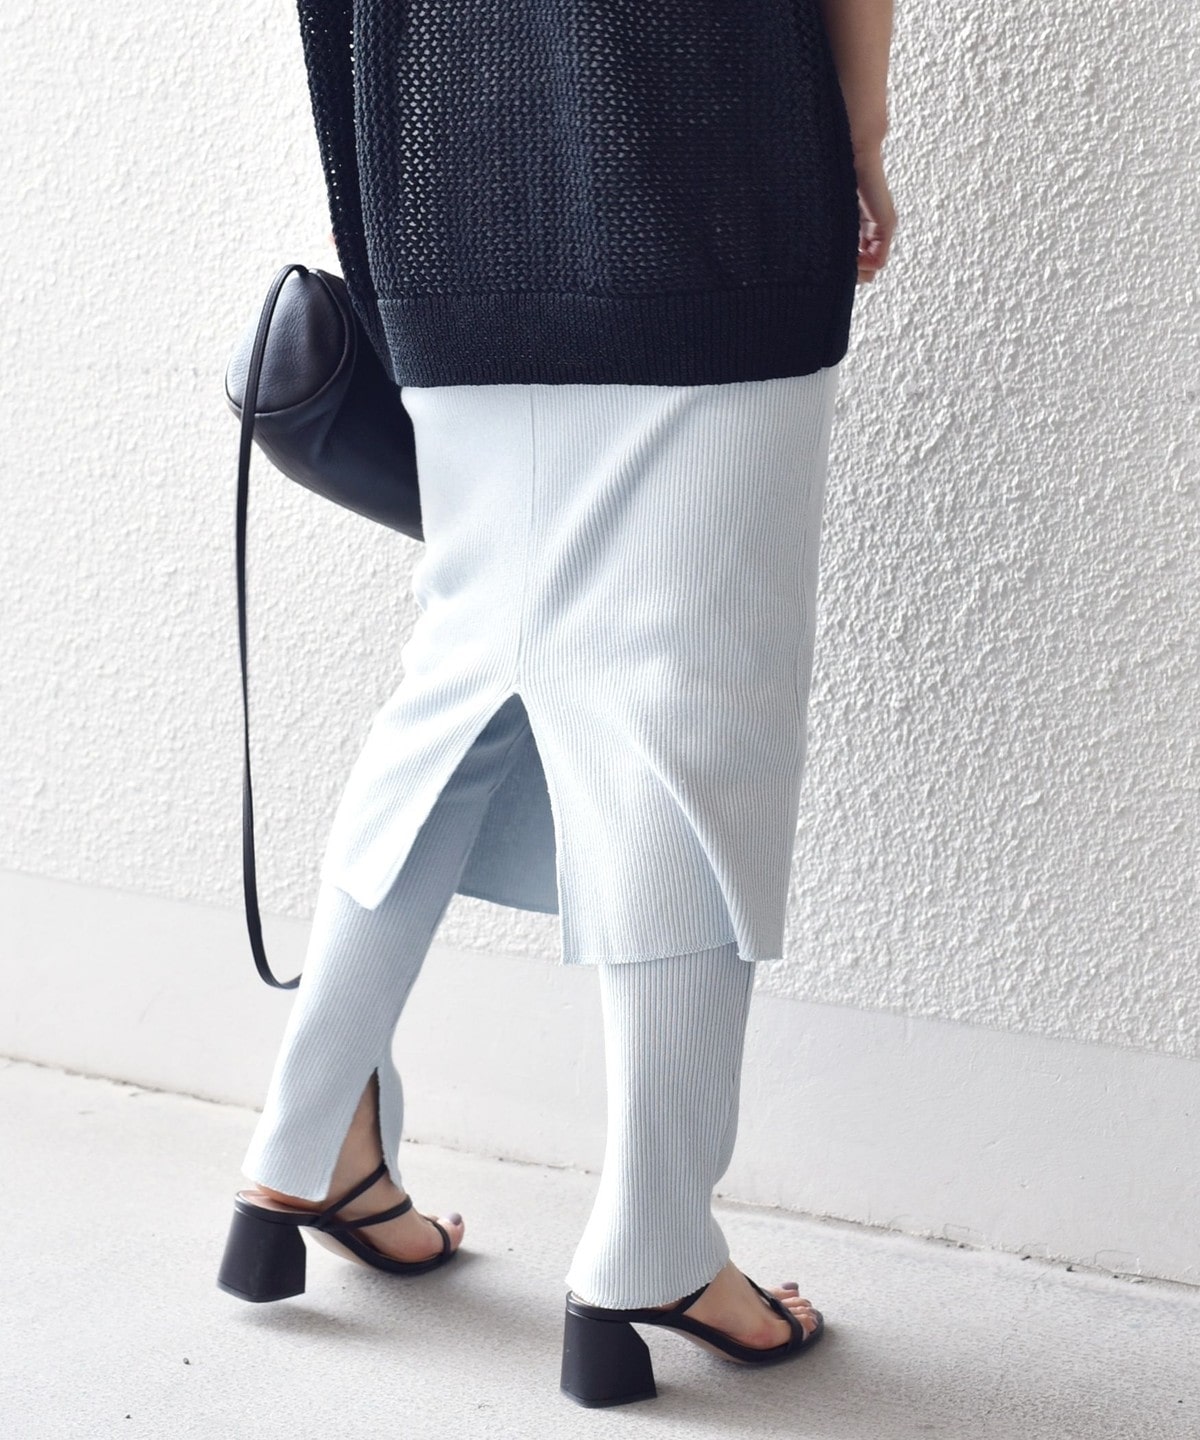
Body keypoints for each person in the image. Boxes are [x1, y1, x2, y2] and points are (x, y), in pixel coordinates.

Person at [216, 0, 896, 1408]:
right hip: (714, 188)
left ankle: (301, 1147)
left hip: (442, 190)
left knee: (464, 684)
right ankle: (655, 1242)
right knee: (691, 724)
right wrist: (861, 133)